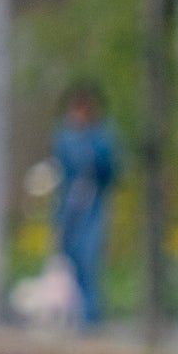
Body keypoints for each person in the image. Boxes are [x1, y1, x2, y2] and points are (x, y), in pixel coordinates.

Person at [52, 83, 120, 327]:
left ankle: (91, 317)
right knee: (69, 260)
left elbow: (110, 171)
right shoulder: (66, 136)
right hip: (70, 206)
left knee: (89, 259)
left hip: (93, 205)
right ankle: (71, 313)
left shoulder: (102, 138)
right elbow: (62, 169)